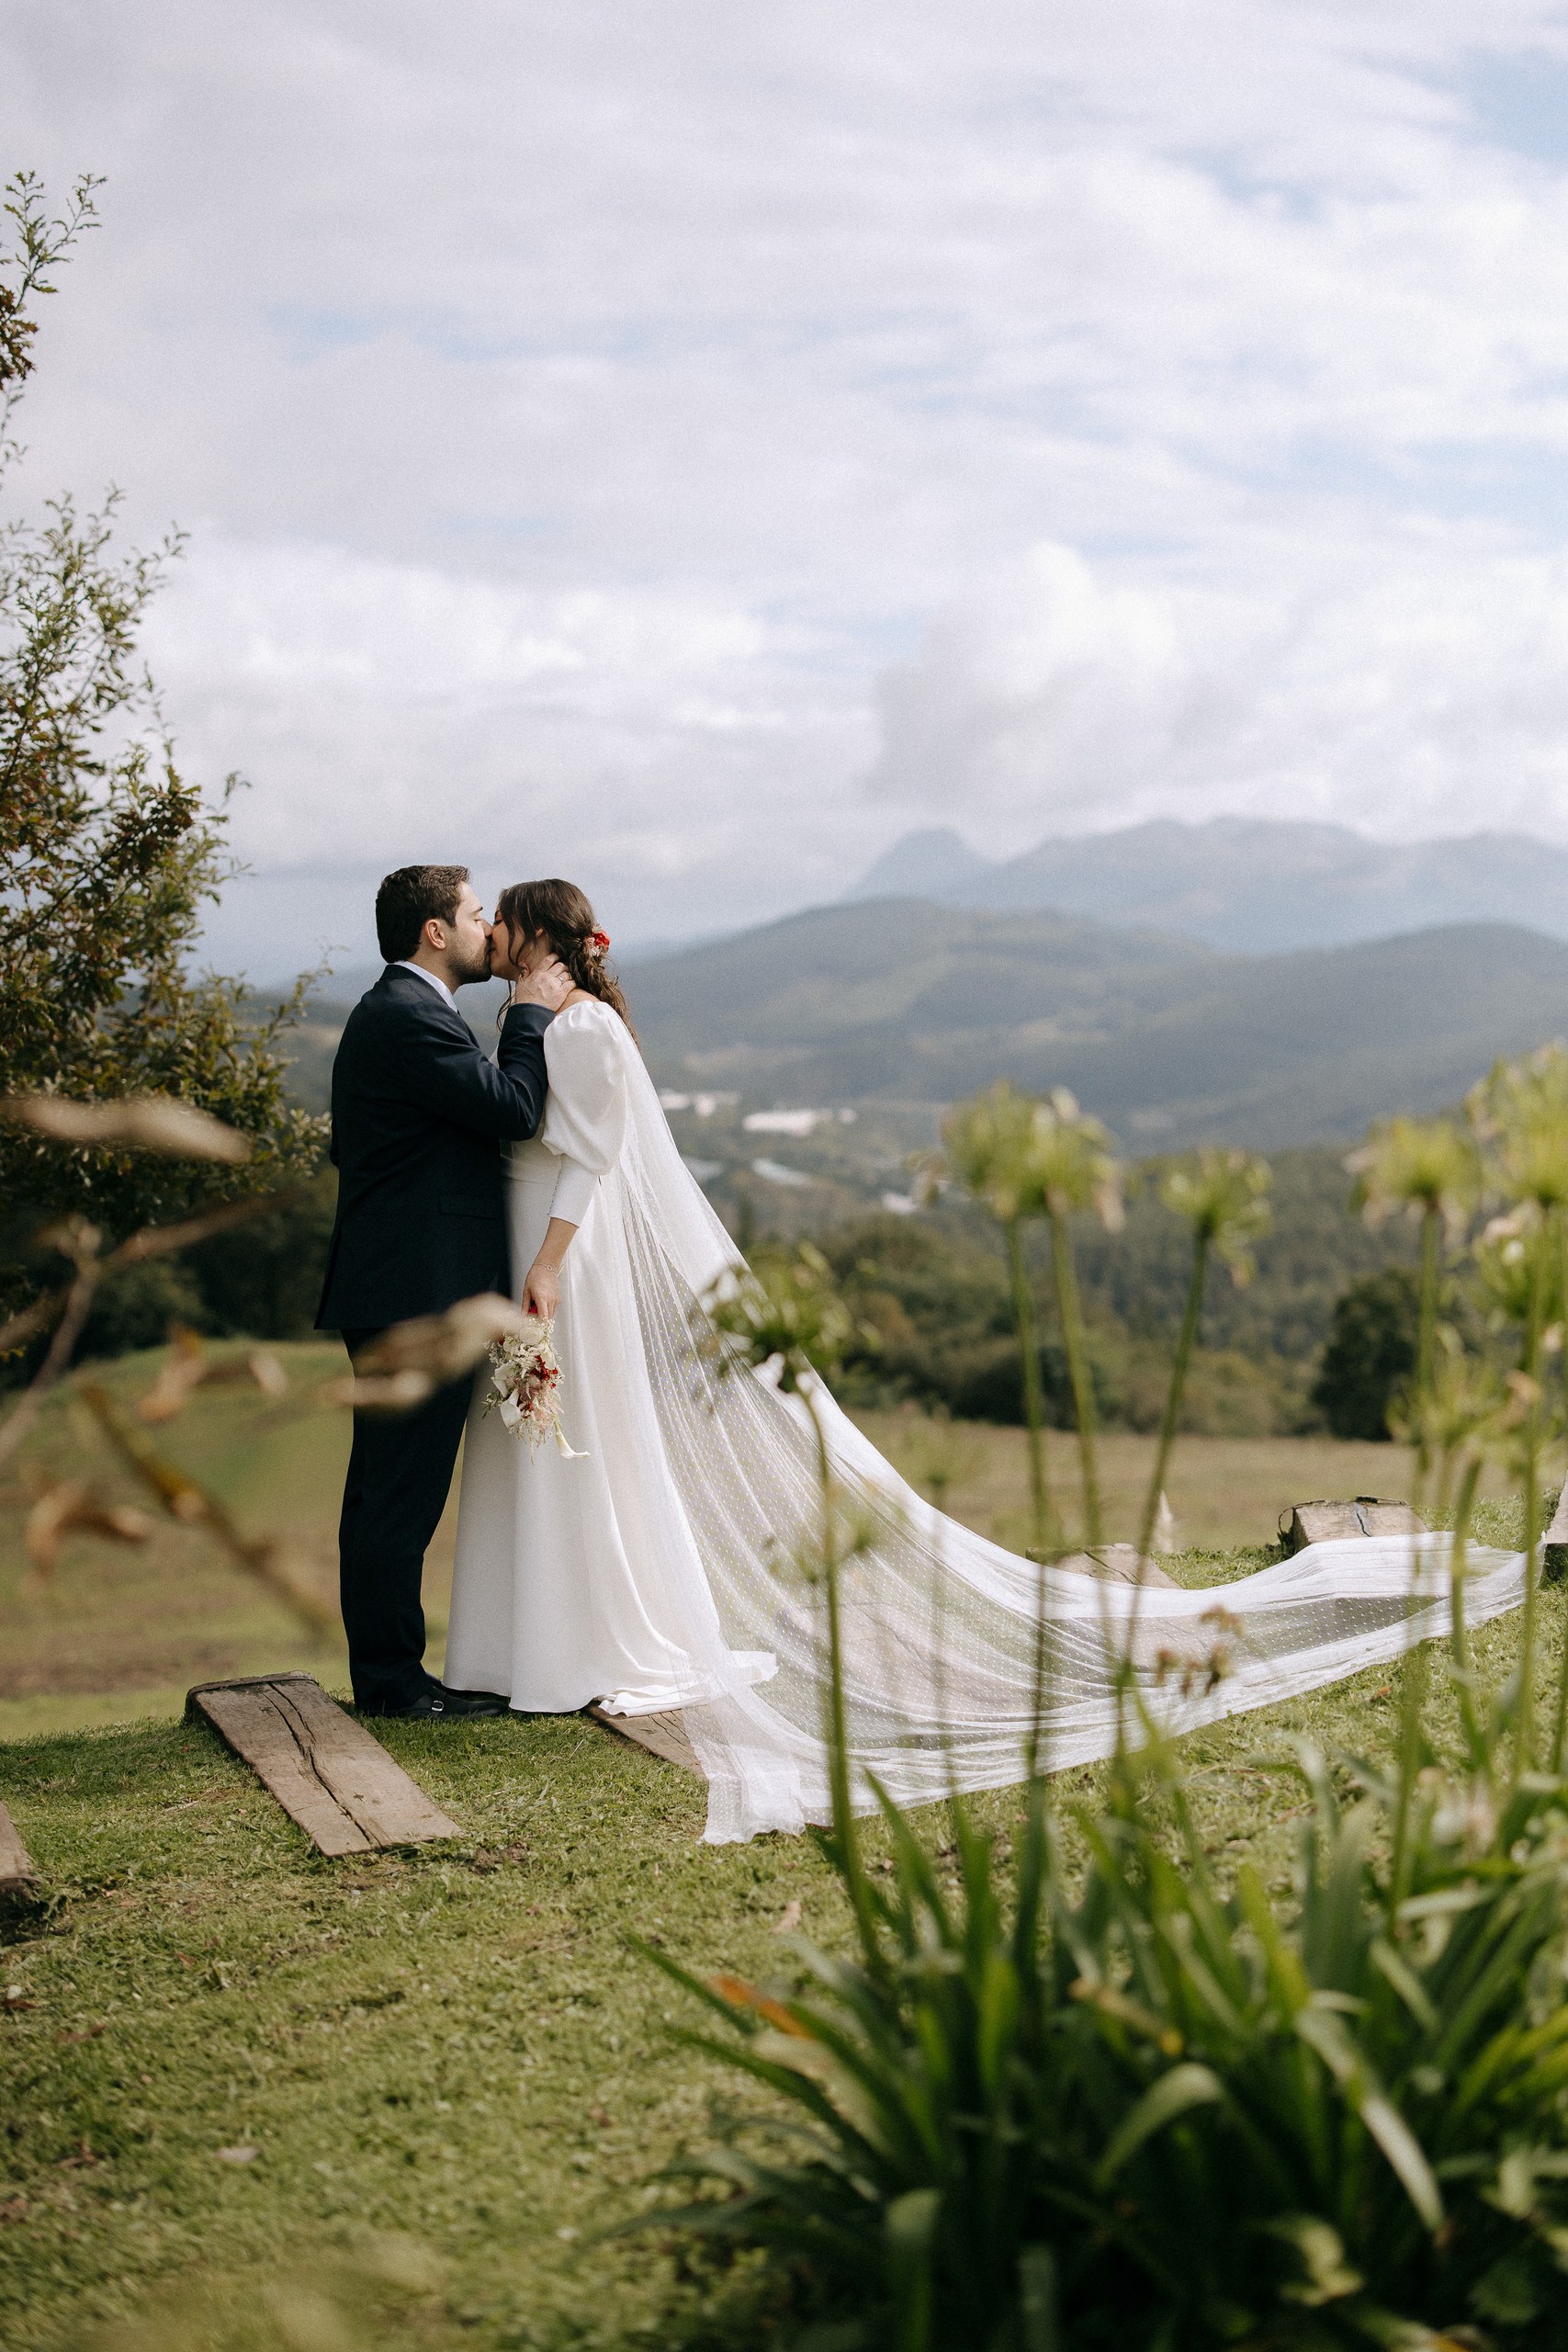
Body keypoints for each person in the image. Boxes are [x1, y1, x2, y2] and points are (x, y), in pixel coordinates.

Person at [446, 878, 1531, 1843]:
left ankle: (592, 1637)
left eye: (505, 919)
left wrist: (547, 1264)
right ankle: (528, 1643)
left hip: (564, 1255)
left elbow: (592, 1157)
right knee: (541, 1442)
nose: (491, 932)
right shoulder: (534, 1015)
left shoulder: (585, 1029)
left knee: (583, 1437)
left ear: (542, 934)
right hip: (535, 1239)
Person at [316, 864, 571, 1717]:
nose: (486, 927)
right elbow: (513, 1108)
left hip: (399, 1284)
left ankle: (390, 1675)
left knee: (386, 1492)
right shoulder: (407, 1015)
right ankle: (393, 1684)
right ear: (434, 931)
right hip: (413, 1294)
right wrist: (531, 1014)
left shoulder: (403, 1012)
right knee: (398, 1495)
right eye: (472, 913)